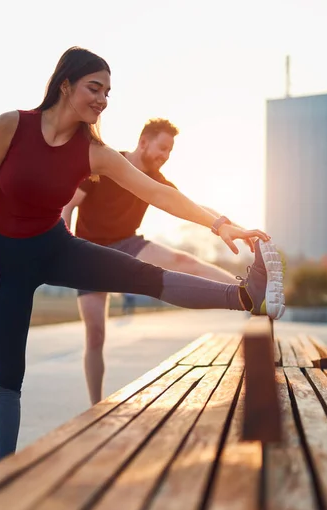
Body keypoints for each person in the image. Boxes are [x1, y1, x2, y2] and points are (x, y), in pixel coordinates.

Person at [0, 46, 285, 462]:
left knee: (144, 276)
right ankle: (4, 472)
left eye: (108, 93)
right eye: (94, 88)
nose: (102, 100)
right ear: (65, 85)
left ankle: (247, 295)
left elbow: (158, 193)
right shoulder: (12, 125)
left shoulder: (94, 153)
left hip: (55, 247)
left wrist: (220, 223)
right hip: (5, 260)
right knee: (9, 375)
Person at [62, 118, 242, 404]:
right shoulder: (106, 164)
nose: (165, 156)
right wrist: (66, 245)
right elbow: (69, 205)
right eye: (162, 148)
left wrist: (225, 223)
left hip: (127, 244)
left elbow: (189, 205)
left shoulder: (155, 179)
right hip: (89, 251)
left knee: (181, 259)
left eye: (170, 151)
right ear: (143, 142)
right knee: (95, 336)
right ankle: (95, 407)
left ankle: (247, 292)